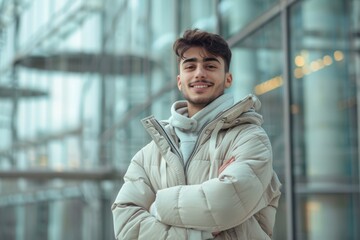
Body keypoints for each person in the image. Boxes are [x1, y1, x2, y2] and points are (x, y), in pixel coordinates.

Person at [111, 28, 282, 240]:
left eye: (210, 66)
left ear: (228, 79)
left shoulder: (250, 138)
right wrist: (197, 233)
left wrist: (157, 207)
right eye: (190, 66)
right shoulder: (148, 155)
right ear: (180, 80)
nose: (199, 73)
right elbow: (126, 226)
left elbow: (225, 203)